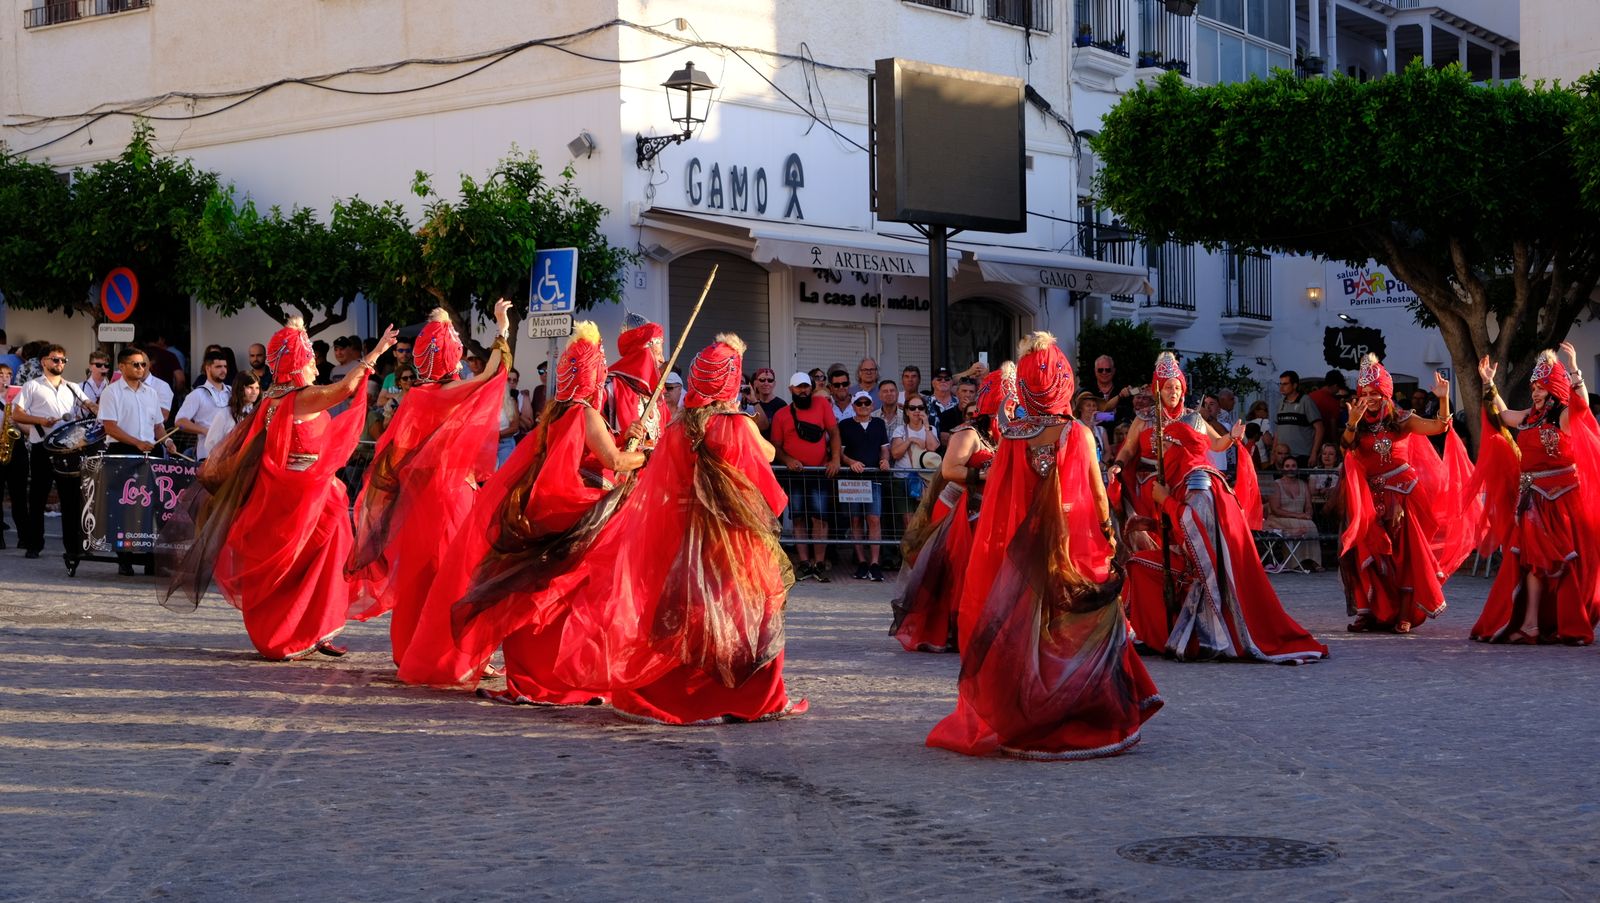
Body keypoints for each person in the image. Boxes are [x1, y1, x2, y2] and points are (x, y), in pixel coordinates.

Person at [928, 333, 1161, 759]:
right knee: (1074, 630)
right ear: (1062, 381)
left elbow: (999, 498)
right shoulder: (1077, 434)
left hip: (1023, 553)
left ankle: (1029, 715)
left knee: (1034, 634)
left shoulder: (1013, 436)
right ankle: (1081, 713)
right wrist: (1110, 539)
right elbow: (1096, 495)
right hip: (1074, 547)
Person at [160, 319, 401, 660]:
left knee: (313, 563)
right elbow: (346, 389)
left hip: (299, 492)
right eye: (309, 359)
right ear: (298, 364)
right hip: (302, 495)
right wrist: (375, 353)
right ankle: (295, 631)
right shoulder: (300, 398)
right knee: (306, 564)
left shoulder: (274, 395)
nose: (315, 365)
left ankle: (312, 630)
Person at [443, 322, 647, 699]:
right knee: (566, 598)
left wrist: (626, 434)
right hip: (581, 516)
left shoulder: (557, 412)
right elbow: (613, 460)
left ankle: (534, 675)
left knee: (542, 594)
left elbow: (593, 453)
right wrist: (643, 453)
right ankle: (559, 677)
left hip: (560, 513)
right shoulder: (586, 413)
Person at [1115, 352, 1327, 663]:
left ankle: (1186, 632)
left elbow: (1215, 446)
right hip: (1160, 495)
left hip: (1188, 530)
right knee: (1141, 557)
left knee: (1155, 561)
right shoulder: (1147, 419)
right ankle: (1157, 632)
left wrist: (1232, 439)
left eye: (1176, 387)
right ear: (1157, 388)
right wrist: (1122, 472)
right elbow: (1130, 449)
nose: (1172, 392)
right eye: (1167, 387)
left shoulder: (1195, 438)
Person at [346, 302, 513, 681]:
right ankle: (455, 654)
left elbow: (397, 456)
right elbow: (493, 373)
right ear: (451, 352)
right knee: (458, 573)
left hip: (419, 498)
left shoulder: (415, 398)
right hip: (453, 494)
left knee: (419, 574)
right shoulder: (452, 390)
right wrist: (501, 328)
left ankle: (411, 649)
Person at [1471, 344, 1600, 645]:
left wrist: (1574, 370)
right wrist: (1489, 383)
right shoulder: (1530, 416)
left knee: (1558, 564)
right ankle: (1529, 623)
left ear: (1555, 389)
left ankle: (1564, 622)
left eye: (1541, 388)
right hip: (1530, 500)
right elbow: (1502, 416)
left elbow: (1582, 408)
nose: (1536, 393)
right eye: (1534, 388)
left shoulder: (1564, 417)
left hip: (1561, 502)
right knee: (1530, 563)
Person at [1338, 355, 1474, 633]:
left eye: (1375, 393)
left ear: (1386, 394)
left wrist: (1444, 398)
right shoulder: (1358, 420)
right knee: (1367, 552)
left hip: (1404, 497)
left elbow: (1440, 426)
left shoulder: (1402, 419)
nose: (1370, 398)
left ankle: (1405, 613)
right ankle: (1371, 612)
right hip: (1369, 498)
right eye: (1365, 393)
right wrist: (1352, 422)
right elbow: (1345, 450)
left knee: (1405, 555)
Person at [891, 365, 1013, 653]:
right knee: (951, 569)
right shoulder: (967, 434)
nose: (1011, 412)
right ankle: (944, 628)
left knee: (976, 569)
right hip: (953, 511)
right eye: (1007, 407)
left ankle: (970, 624)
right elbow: (950, 469)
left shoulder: (1001, 438)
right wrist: (985, 475)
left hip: (980, 513)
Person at [11, 344, 94, 561]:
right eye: (55, 359)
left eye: (63, 360)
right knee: (38, 497)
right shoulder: (32, 386)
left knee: (71, 499)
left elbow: (89, 405)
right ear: (44, 362)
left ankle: (73, 547)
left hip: (68, 450)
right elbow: (17, 414)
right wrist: (40, 420)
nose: (60, 364)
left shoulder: (73, 387)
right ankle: (34, 544)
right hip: (42, 448)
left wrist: (98, 407)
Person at [770, 371, 841, 582]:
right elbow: (776, 446)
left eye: (806, 386)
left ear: (811, 387)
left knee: (820, 518)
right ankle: (803, 563)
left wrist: (835, 459)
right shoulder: (782, 414)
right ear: (791, 389)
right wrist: (788, 460)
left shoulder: (822, 405)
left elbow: (834, 433)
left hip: (820, 472)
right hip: (795, 474)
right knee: (799, 518)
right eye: (799, 387)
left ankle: (819, 563)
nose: (803, 391)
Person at [839, 390, 891, 581]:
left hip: (873, 477)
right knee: (856, 520)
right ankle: (861, 561)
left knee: (874, 519)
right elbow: (839, 453)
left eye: (866, 403)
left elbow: (885, 449)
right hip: (851, 480)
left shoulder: (879, 424)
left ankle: (875, 563)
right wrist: (851, 462)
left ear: (872, 406)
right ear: (853, 406)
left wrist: (885, 461)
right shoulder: (844, 425)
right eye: (859, 403)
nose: (863, 406)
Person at [604, 316, 669, 448]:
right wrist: (623, 437)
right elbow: (595, 439)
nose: (662, 359)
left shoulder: (656, 394)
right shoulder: (610, 387)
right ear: (642, 355)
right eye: (657, 354)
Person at [1263, 456, 1322, 572]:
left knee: (1311, 525)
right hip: (1279, 518)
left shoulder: (1303, 484)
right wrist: (1298, 515)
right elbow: (1275, 509)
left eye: (1293, 466)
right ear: (1283, 469)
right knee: (1298, 524)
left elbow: (1309, 505)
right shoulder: (1276, 484)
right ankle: (1296, 562)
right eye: (1287, 466)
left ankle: (1313, 561)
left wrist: (1308, 512)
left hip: (1300, 517)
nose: (1290, 469)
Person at [174, 351, 232, 461]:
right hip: (207, 454)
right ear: (208, 368)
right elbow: (179, 422)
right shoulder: (197, 394)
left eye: (225, 366)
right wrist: (206, 430)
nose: (223, 370)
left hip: (231, 453)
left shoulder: (232, 391)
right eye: (218, 366)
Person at [1275, 370, 1323, 465]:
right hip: (1282, 457)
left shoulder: (1306, 401)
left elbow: (1320, 428)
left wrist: (1314, 453)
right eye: (1280, 384)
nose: (1281, 387)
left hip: (1302, 456)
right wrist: (1273, 453)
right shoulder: (1280, 402)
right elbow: (1278, 430)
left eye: (1285, 384)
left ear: (1295, 385)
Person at [206, 372, 260, 453]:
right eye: (250, 387)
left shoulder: (259, 412)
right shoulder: (225, 414)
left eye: (257, 388)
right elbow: (210, 444)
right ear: (240, 388)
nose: (254, 392)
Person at [1090, 354, 1136, 424]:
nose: (1104, 372)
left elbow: (1129, 414)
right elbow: (1088, 416)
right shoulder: (1088, 391)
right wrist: (1114, 415)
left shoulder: (1124, 391)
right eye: (1100, 370)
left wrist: (1100, 415)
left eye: (1108, 370)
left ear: (1113, 371)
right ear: (1095, 371)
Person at [751, 367, 785, 434]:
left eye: (770, 380)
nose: (766, 383)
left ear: (774, 384)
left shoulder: (781, 405)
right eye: (762, 380)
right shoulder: (751, 404)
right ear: (755, 383)